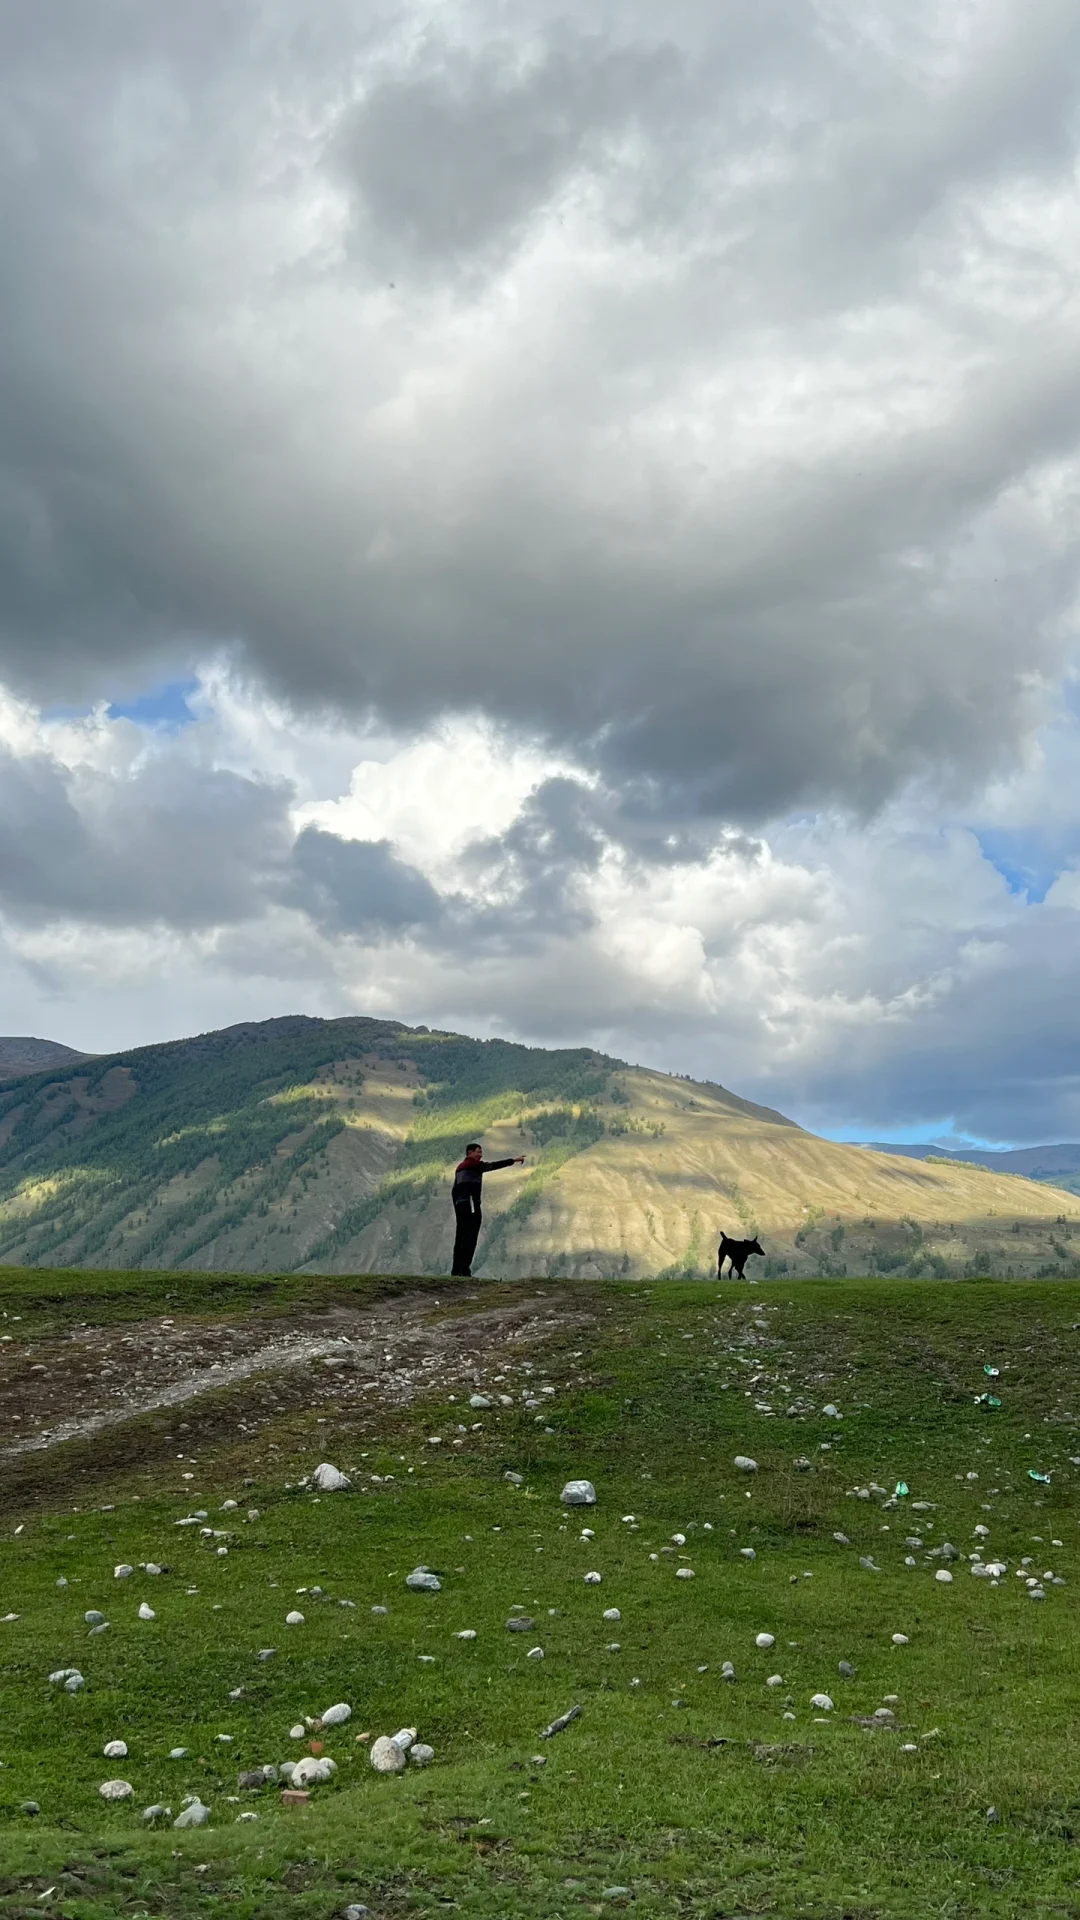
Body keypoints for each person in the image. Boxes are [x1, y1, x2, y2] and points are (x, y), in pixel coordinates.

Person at [451, 1142, 525, 1276]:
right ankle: (464, 1270)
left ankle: (456, 1271)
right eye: (478, 1152)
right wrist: (512, 1161)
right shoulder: (472, 1165)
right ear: (470, 1153)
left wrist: (458, 1205)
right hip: (471, 1205)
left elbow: (454, 1190)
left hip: (461, 1206)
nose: (481, 1154)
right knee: (470, 1238)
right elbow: (492, 1166)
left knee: (460, 1237)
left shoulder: (460, 1167)